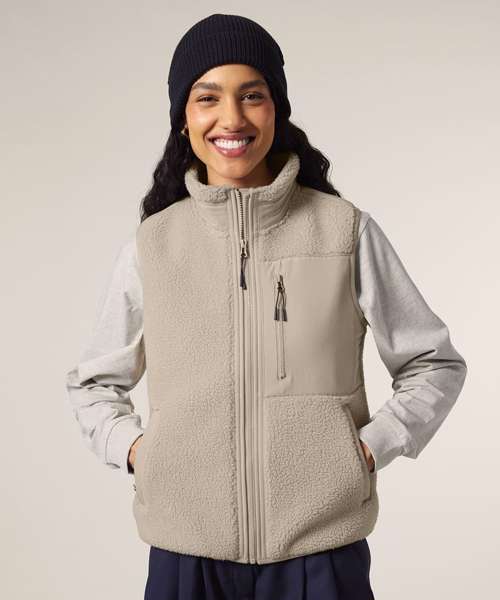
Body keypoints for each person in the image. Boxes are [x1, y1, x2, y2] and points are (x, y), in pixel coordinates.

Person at [66, 13, 468, 600]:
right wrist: (141, 454)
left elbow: (434, 362)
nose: (231, 118)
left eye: (252, 96)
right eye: (208, 98)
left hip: (319, 554)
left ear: (276, 109)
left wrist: (367, 449)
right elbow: (95, 383)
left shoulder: (343, 231)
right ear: (184, 117)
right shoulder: (153, 245)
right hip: (186, 553)